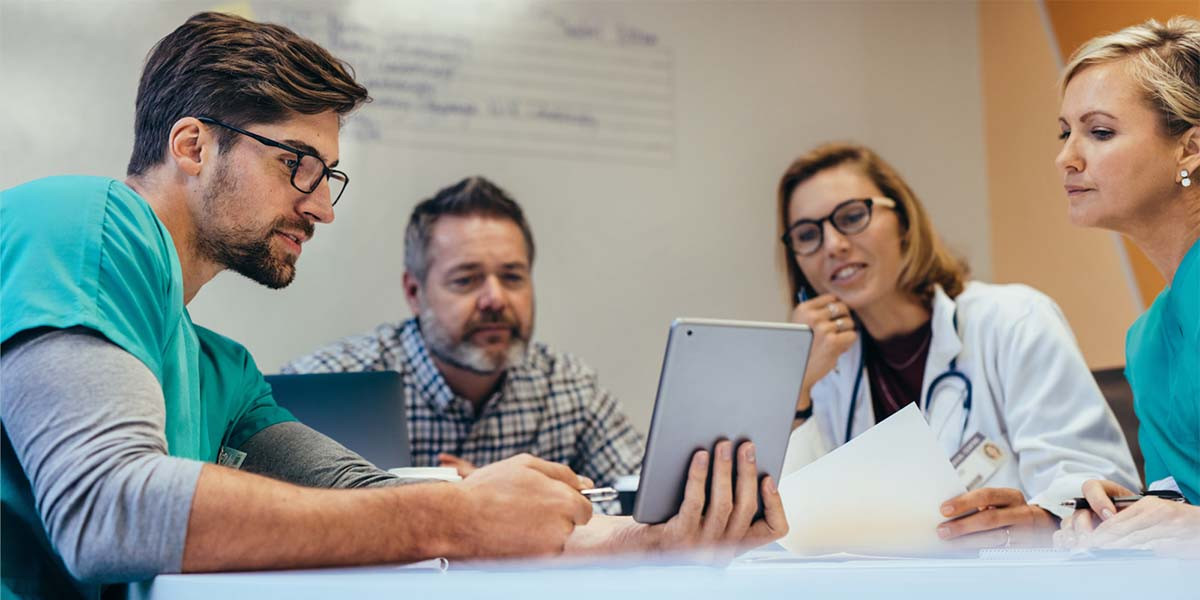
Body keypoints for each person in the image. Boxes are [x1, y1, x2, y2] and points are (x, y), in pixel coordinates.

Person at [0, 12, 785, 599]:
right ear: (194, 146)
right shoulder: (84, 222)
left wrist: (651, 545)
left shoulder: (220, 371)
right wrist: (460, 517)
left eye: (327, 174)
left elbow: (368, 501)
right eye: (297, 164)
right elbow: (106, 509)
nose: (322, 207)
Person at [776, 142, 1139, 549]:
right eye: (807, 235)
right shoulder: (824, 371)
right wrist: (798, 385)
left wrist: (1039, 521)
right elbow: (791, 529)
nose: (833, 245)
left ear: (904, 222)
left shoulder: (1012, 320)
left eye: (852, 216)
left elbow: (1096, 488)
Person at [281, 176, 643, 514]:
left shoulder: (569, 386)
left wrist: (520, 504)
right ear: (414, 293)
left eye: (512, 277)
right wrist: (461, 506)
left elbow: (646, 506)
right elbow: (279, 516)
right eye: (466, 280)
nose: (495, 299)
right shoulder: (326, 383)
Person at [1052, 16, 1200, 558]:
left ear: (1190, 148)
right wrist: (1133, 513)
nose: (1066, 157)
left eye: (1100, 132)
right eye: (1065, 132)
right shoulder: (1147, 340)